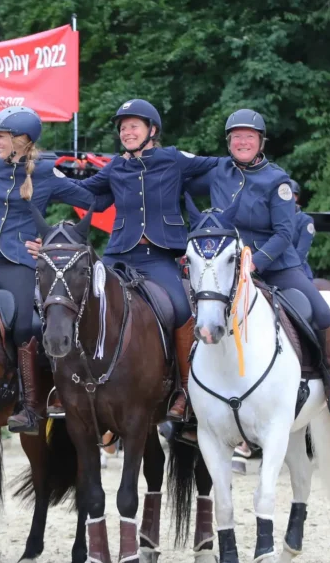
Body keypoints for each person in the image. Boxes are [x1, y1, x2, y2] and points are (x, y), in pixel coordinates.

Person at [189, 109, 330, 425]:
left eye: (249, 137)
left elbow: (284, 233)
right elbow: (179, 176)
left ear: (260, 141)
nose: (242, 142)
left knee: (322, 314)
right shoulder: (217, 172)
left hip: (277, 265)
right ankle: (189, 393)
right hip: (227, 267)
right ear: (229, 142)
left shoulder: (277, 181)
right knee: (200, 307)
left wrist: (256, 262)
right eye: (237, 137)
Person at [0, 106, 110, 434]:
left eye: (0, 137)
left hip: (20, 259)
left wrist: (53, 239)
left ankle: (30, 405)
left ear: (20, 140)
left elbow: (94, 201)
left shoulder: (46, 174)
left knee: (26, 324)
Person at [66, 99, 218, 427]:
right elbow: (85, 193)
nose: (127, 132)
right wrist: (48, 179)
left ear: (152, 130)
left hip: (160, 256)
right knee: (79, 300)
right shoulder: (115, 168)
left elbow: (217, 165)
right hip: (119, 253)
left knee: (180, 308)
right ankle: (73, 383)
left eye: (133, 126)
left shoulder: (173, 159)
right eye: (123, 128)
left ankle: (185, 390)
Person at [291, 180, 315, 279]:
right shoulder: (274, 219)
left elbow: (301, 253)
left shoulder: (305, 221)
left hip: (297, 270)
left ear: (295, 197)